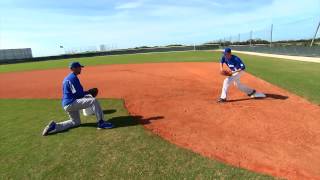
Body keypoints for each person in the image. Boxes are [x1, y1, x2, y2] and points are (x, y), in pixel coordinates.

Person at [42, 62, 114, 136]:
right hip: (71, 103)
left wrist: (87, 93)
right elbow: (79, 94)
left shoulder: (68, 78)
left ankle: (54, 126)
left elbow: (76, 93)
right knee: (93, 101)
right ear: (73, 69)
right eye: (79, 67)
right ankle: (101, 123)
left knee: (75, 122)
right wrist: (88, 92)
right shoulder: (73, 78)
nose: (80, 69)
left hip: (67, 104)